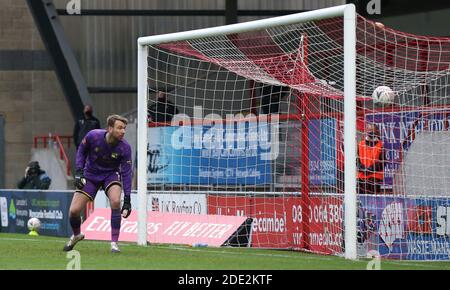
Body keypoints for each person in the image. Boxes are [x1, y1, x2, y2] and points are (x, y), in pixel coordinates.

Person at [63, 114, 132, 253]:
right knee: (74, 211)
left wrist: (128, 199)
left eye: (124, 128)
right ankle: (77, 235)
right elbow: (81, 151)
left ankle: (114, 244)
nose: (123, 131)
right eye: (119, 128)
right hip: (90, 175)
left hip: (110, 175)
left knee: (115, 201)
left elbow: (126, 173)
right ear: (110, 128)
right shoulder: (93, 136)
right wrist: (79, 172)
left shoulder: (125, 148)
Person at [357, 123, 385, 195]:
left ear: (377, 131)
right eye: (369, 130)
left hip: (375, 178)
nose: (371, 132)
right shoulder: (361, 144)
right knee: (361, 201)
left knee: (374, 202)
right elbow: (357, 160)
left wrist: (370, 169)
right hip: (361, 177)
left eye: (373, 130)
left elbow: (382, 162)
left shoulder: (380, 145)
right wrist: (362, 168)